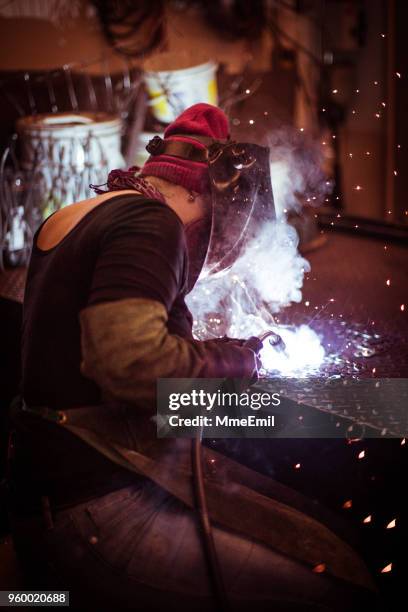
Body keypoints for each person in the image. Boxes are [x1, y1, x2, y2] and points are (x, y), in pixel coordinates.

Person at [7, 104, 375, 611]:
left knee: (300, 522)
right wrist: (241, 361)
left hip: (46, 499)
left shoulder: (90, 212)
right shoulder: (151, 223)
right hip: (88, 515)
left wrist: (212, 359)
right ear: (208, 197)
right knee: (331, 584)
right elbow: (132, 364)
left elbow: (104, 367)